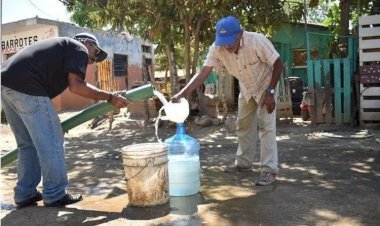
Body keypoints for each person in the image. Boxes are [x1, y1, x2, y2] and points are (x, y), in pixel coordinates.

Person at [1, 33, 128, 208]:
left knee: (27, 144)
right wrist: (109, 97)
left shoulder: (59, 49)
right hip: (27, 85)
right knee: (52, 141)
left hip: (6, 83)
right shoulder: (79, 47)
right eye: (96, 53)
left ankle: (25, 194)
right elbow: (76, 86)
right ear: (88, 43)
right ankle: (55, 194)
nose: (93, 60)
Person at [172, 16, 282, 186]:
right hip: (246, 89)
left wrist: (271, 91)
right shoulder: (217, 48)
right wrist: (181, 93)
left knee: (266, 126)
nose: (227, 46)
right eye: (224, 42)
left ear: (240, 34)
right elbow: (202, 74)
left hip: (267, 86)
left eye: (230, 41)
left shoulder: (257, 41)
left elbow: (278, 63)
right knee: (243, 125)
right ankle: (244, 164)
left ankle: (269, 170)